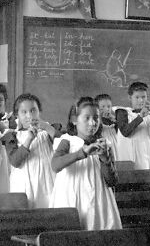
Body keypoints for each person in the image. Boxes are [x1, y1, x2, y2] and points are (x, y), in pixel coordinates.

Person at [50, 97, 122, 230]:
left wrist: (105, 159)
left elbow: (112, 181)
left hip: (98, 201)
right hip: (71, 198)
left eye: (96, 118)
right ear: (74, 120)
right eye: (87, 118)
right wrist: (81, 153)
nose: (92, 123)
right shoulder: (68, 141)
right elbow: (55, 165)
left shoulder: (105, 144)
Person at [7, 93, 58, 209]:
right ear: (17, 115)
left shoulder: (47, 131)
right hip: (25, 183)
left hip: (47, 181)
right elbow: (15, 161)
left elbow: (63, 142)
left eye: (33, 110)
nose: (29, 115)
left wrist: (45, 126)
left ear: (39, 111)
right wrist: (29, 139)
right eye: (24, 112)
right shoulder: (13, 135)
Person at [114, 82, 150, 170]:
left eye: (143, 97)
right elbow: (125, 132)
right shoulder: (122, 112)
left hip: (148, 159)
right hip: (130, 159)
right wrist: (140, 117)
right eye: (137, 97)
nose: (141, 100)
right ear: (130, 97)